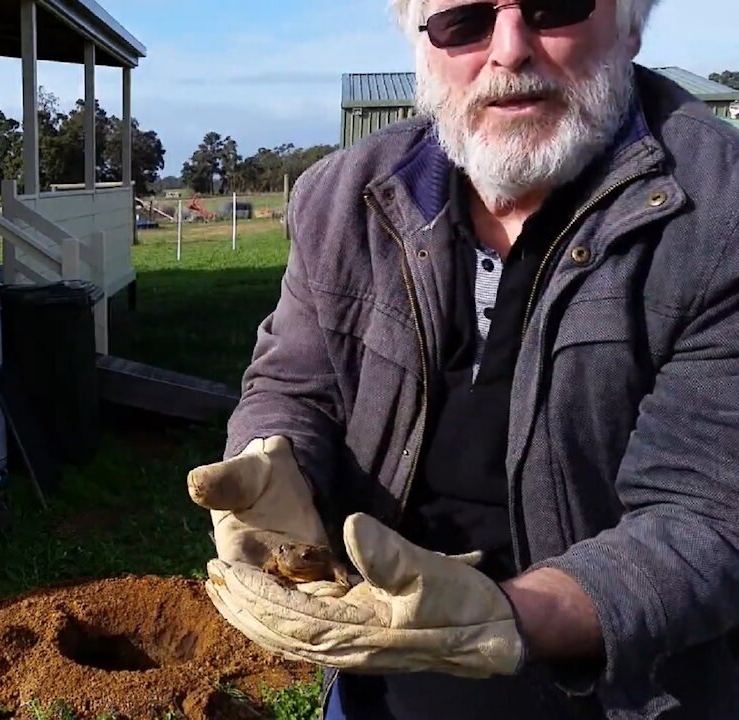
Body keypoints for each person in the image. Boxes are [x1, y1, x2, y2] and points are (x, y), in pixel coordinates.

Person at [185, 0, 739, 718]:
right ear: (423, 45)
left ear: (631, 24)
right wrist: (273, 468)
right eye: (465, 20)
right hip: (372, 689)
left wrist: (504, 618)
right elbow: (293, 380)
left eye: (555, 7)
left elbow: (709, 512)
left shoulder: (718, 217)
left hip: (631, 697)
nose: (509, 49)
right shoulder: (342, 199)